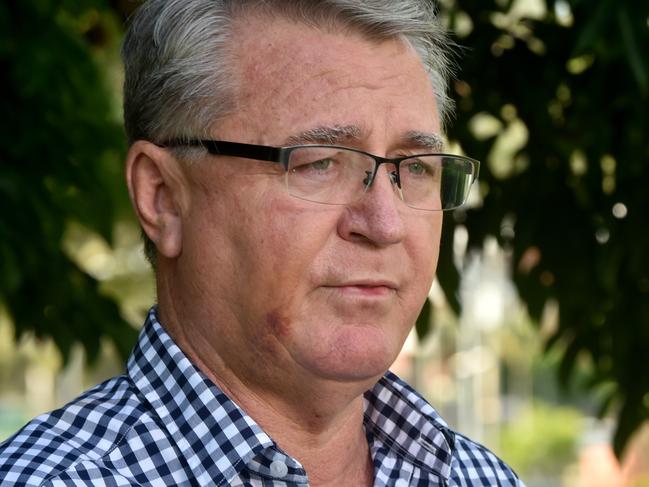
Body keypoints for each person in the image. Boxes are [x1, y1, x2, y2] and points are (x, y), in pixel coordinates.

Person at [0, 1, 525, 485]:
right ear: (163, 197)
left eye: (414, 168)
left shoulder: (482, 478)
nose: (384, 224)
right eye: (320, 162)